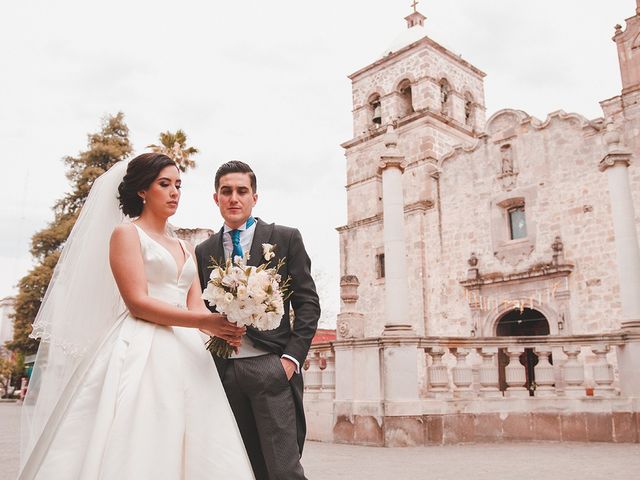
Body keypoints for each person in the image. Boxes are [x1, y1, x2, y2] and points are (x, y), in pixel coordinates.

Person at [19, 153, 254, 479]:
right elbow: (138, 303)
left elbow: (197, 306)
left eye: (178, 185)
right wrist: (202, 322)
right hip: (141, 344)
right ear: (143, 190)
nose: (174, 192)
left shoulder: (184, 247)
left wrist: (224, 326)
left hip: (188, 352)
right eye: (164, 184)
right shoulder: (126, 234)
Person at [195, 161, 321, 480]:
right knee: (242, 469)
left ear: (254, 197)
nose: (234, 198)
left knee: (284, 470)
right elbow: (202, 309)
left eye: (241, 191)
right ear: (216, 198)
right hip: (224, 372)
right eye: (226, 191)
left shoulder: (285, 238)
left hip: (271, 366)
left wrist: (290, 361)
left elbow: (307, 304)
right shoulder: (203, 250)